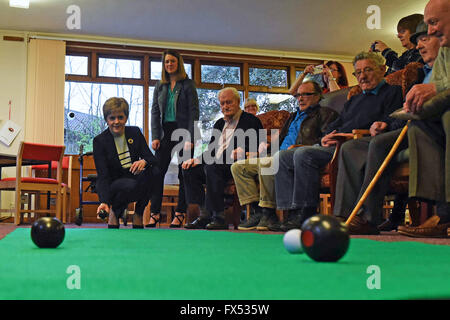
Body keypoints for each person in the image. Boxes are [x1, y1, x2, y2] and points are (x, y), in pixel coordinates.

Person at [274, 52, 403, 231]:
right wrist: (325, 136)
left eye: (367, 70)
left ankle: (307, 212)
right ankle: (290, 213)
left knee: (304, 154)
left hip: (359, 143)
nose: (362, 76)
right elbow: (336, 123)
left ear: (382, 69)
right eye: (358, 72)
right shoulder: (354, 99)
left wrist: (383, 124)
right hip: (334, 144)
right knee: (283, 156)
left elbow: (396, 120)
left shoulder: (393, 92)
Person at [333, 21, 441, 235]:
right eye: (418, 41)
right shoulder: (419, 74)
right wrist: (391, 122)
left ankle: (369, 217)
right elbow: (403, 112)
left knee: (379, 142)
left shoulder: (398, 88)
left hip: (427, 125)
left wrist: (388, 123)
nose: (419, 46)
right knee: (349, 148)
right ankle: (346, 215)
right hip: (409, 125)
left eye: (425, 39)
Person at [231, 81, 338, 231]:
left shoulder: (326, 113)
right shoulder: (293, 116)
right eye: (298, 95)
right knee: (238, 167)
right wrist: (266, 147)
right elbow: (281, 138)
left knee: (268, 164)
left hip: (296, 154)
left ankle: (269, 213)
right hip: (278, 153)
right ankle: (257, 211)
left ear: (318, 96)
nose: (301, 98)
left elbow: (326, 140)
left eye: (306, 94)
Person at [397, 0, 450, 238]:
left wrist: (435, 90)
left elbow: (439, 88)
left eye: (434, 22)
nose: (429, 31)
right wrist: (417, 108)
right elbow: (440, 89)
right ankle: (441, 212)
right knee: (419, 125)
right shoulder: (446, 50)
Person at [182, 87, 264, 230]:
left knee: (212, 165)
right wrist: (196, 159)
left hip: (237, 162)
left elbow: (260, 143)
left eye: (229, 102)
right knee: (189, 169)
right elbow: (212, 149)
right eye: (222, 103)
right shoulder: (219, 123)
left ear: (238, 102)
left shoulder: (251, 120)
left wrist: (245, 151)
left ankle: (219, 216)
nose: (225, 106)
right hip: (217, 162)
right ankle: (205, 214)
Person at [148, 49, 199, 228]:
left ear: (179, 63)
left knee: (184, 173)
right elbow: (154, 111)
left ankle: (180, 213)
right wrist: (155, 136)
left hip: (184, 132)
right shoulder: (159, 85)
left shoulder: (188, 84)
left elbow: (194, 112)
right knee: (156, 173)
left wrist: (191, 137)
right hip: (165, 133)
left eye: (172, 61)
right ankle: (154, 213)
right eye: (166, 62)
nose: (169, 64)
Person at [93, 97, 158, 229]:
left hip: (133, 176)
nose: (116, 122)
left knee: (155, 172)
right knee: (130, 185)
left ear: (126, 118)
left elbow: (152, 158)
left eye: (120, 117)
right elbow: (103, 174)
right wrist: (104, 201)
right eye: (112, 118)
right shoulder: (99, 141)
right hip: (113, 182)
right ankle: (114, 212)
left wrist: (144, 161)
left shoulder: (135, 132)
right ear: (107, 120)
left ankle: (138, 213)